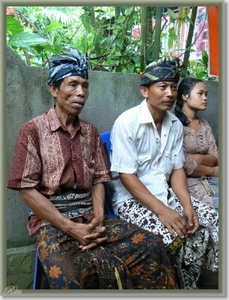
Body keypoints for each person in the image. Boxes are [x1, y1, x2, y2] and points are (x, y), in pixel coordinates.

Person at [7, 48, 179, 290]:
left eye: (85, 85)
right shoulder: (32, 131)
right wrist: (70, 227)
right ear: (54, 90)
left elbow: (99, 179)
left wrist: (98, 217)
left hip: (91, 216)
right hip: (51, 222)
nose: (81, 92)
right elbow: (26, 190)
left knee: (151, 245)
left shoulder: (91, 132)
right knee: (67, 275)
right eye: (72, 84)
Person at [109, 57, 219, 289]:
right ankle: (169, 287)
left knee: (211, 219)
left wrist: (187, 206)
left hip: (164, 194)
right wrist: (165, 212)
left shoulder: (175, 125)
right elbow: (127, 177)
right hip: (132, 201)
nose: (169, 93)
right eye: (162, 87)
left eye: (173, 87)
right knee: (173, 235)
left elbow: (177, 168)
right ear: (145, 91)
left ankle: (188, 283)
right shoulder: (127, 123)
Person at [174, 77, 218, 211]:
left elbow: (215, 156)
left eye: (206, 94)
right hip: (186, 181)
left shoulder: (204, 125)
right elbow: (182, 163)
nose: (205, 98)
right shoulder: (175, 125)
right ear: (185, 96)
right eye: (200, 93)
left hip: (211, 178)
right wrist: (212, 170)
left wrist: (196, 158)